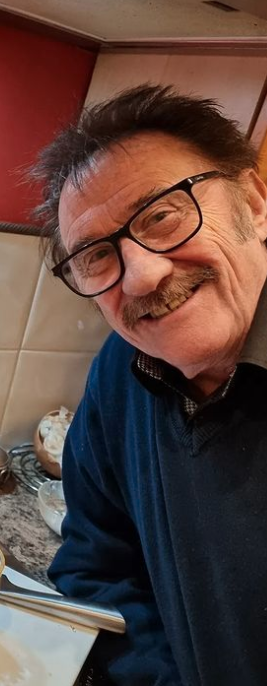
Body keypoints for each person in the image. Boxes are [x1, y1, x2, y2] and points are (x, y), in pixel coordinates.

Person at [28, 84, 267, 686]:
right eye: (96, 257)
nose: (140, 276)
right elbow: (98, 566)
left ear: (254, 202)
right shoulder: (121, 373)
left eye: (162, 215)